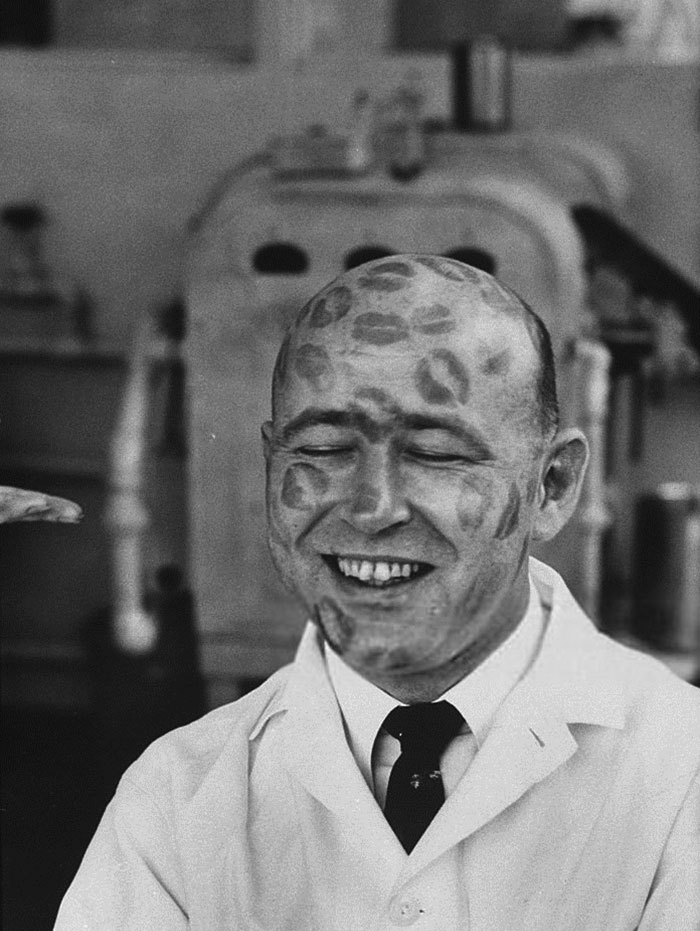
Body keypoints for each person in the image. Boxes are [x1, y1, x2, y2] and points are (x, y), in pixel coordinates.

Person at [55, 255, 699, 930]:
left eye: (437, 452)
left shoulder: (683, 775)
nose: (371, 507)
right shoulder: (174, 801)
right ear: (272, 468)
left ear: (553, 486)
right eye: (325, 446)